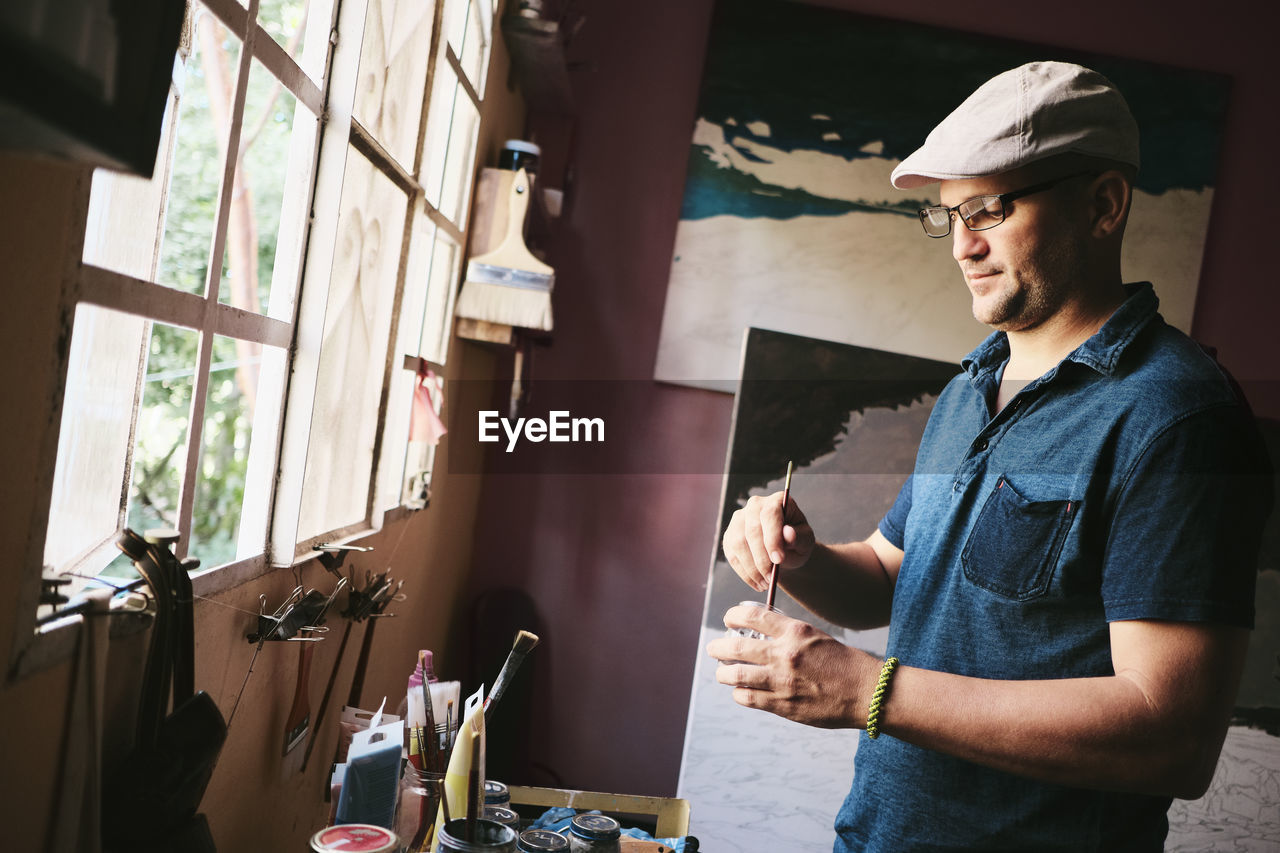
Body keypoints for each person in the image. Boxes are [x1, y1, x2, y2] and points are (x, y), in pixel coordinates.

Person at [709, 60, 1273, 852]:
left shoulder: (1180, 419)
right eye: (948, 216)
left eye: (988, 210)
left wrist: (867, 691)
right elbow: (888, 576)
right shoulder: (973, 386)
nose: (963, 246)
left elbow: (1170, 734)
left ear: (1103, 205)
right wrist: (797, 556)